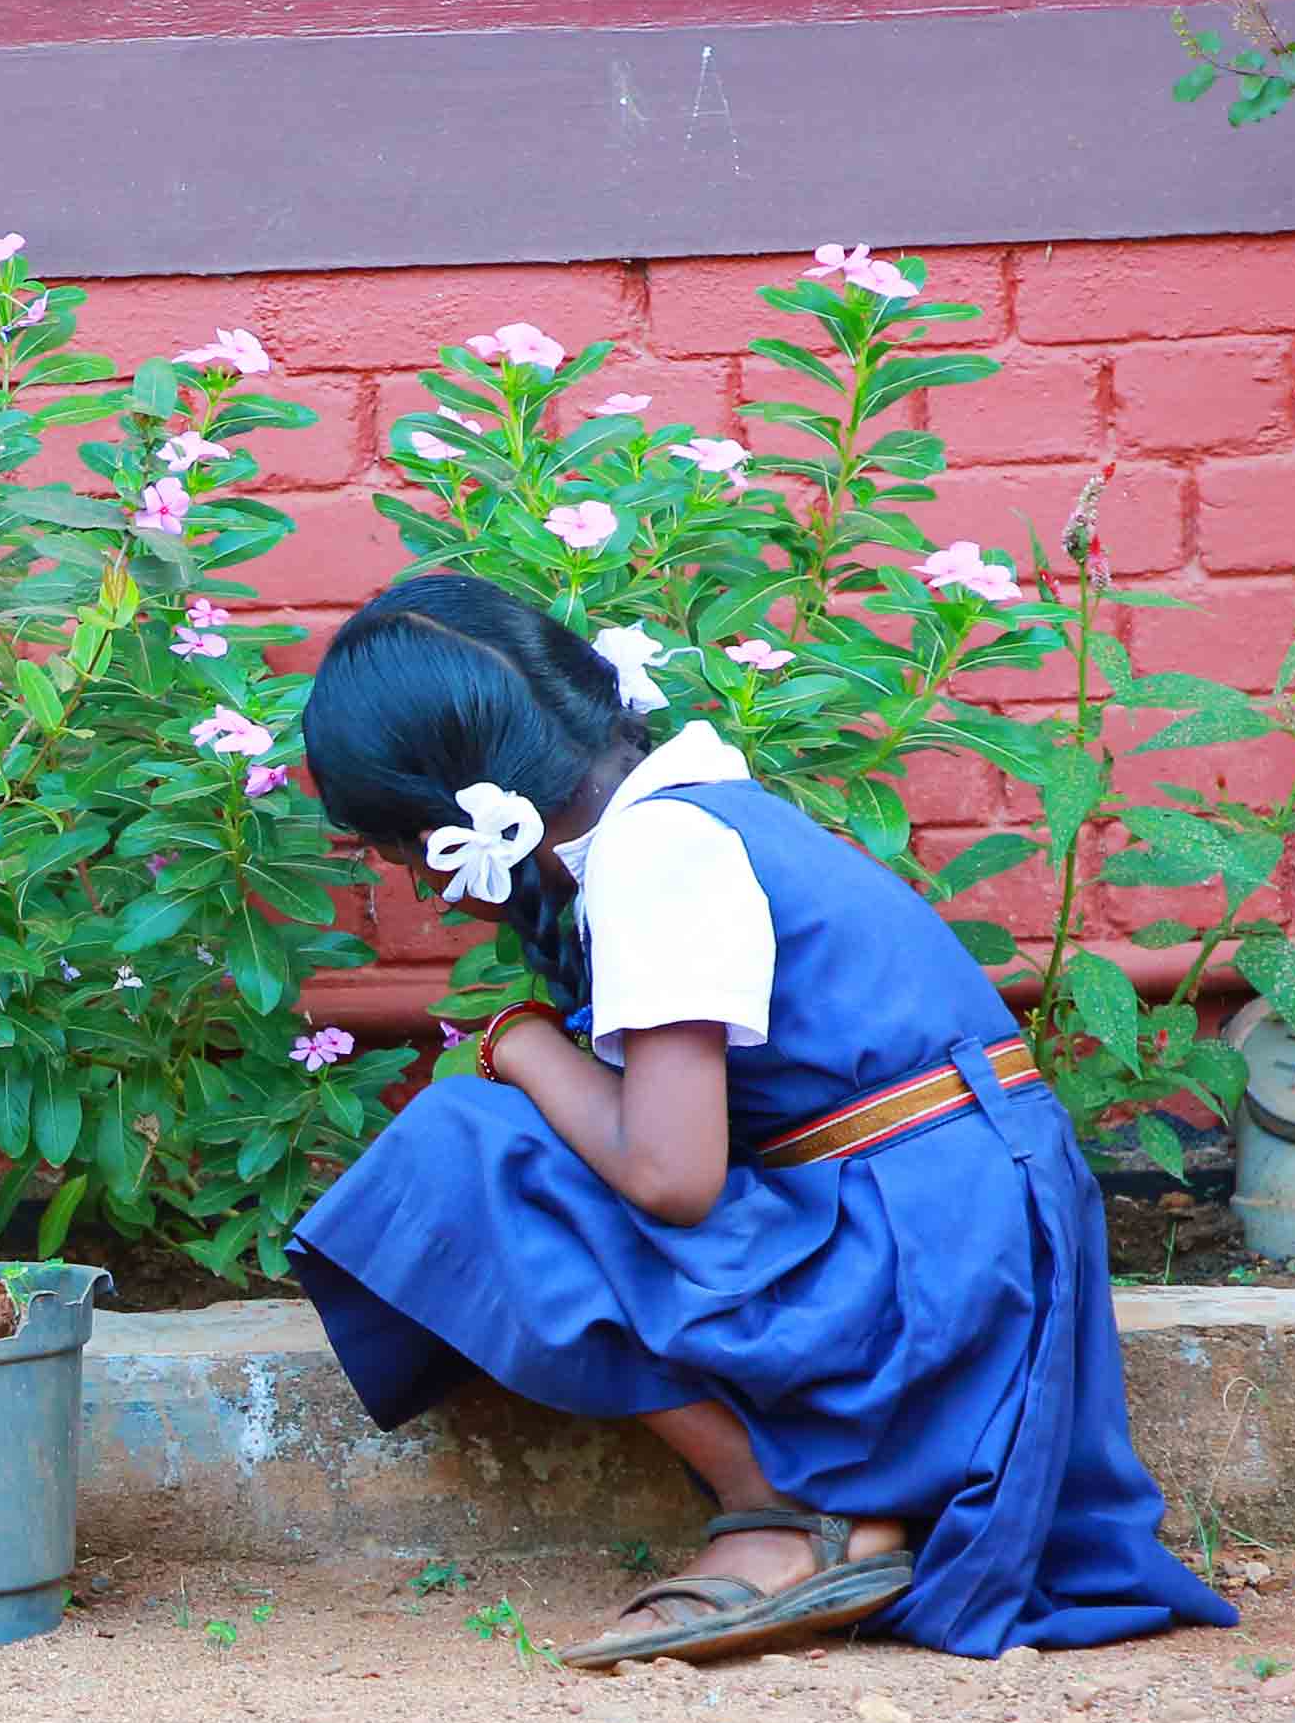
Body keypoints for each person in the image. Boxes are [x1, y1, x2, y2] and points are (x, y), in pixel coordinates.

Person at [288, 573, 1233, 1667]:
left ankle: (789, 1516)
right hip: (947, 1244)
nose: (422, 884)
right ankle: (833, 1502)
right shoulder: (693, 816)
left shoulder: (658, 854)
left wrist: (524, 1047)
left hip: (929, 1281)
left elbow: (671, 1176)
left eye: (404, 849)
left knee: (465, 1147)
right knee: (508, 1143)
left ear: (464, 811)